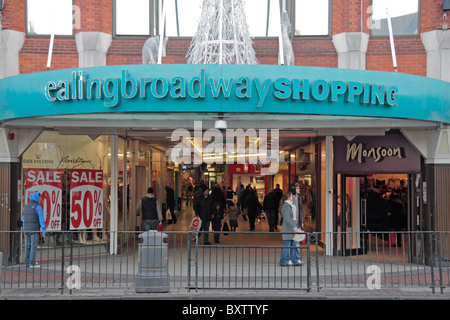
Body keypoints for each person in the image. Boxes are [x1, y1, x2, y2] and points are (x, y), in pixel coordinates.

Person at [22, 192, 46, 268]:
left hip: (26, 230)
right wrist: (43, 231)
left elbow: (23, 219)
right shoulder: (38, 207)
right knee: (33, 246)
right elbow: (41, 220)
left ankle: (27, 262)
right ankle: (31, 263)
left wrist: (24, 227)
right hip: (34, 229)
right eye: (39, 197)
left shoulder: (25, 207)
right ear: (36, 198)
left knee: (27, 246)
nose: (40, 198)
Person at [279, 192, 302, 267]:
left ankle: (294, 261)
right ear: (288, 197)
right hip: (288, 229)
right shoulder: (286, 206)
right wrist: (294, 227)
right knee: (287, 245)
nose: (292, 197)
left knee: (293, 245)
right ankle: (283, 261)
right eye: (292, 196)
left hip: (291, 229)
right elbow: (287, 219)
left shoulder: (290, 205)